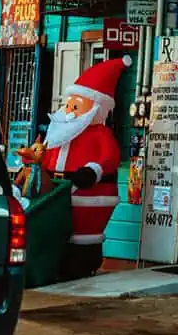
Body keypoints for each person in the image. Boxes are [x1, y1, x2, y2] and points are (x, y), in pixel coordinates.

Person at [23, 56, 130, 281]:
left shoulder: (100, 135)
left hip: (88, 194)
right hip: (57, 193)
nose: (70, 111)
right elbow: (45, 153)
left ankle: (83, 261)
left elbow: (109, 157)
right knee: (55, 229)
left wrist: (93, 170)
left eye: (76, 106)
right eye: (69, 105)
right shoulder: (59, 132)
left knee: (82, 238)